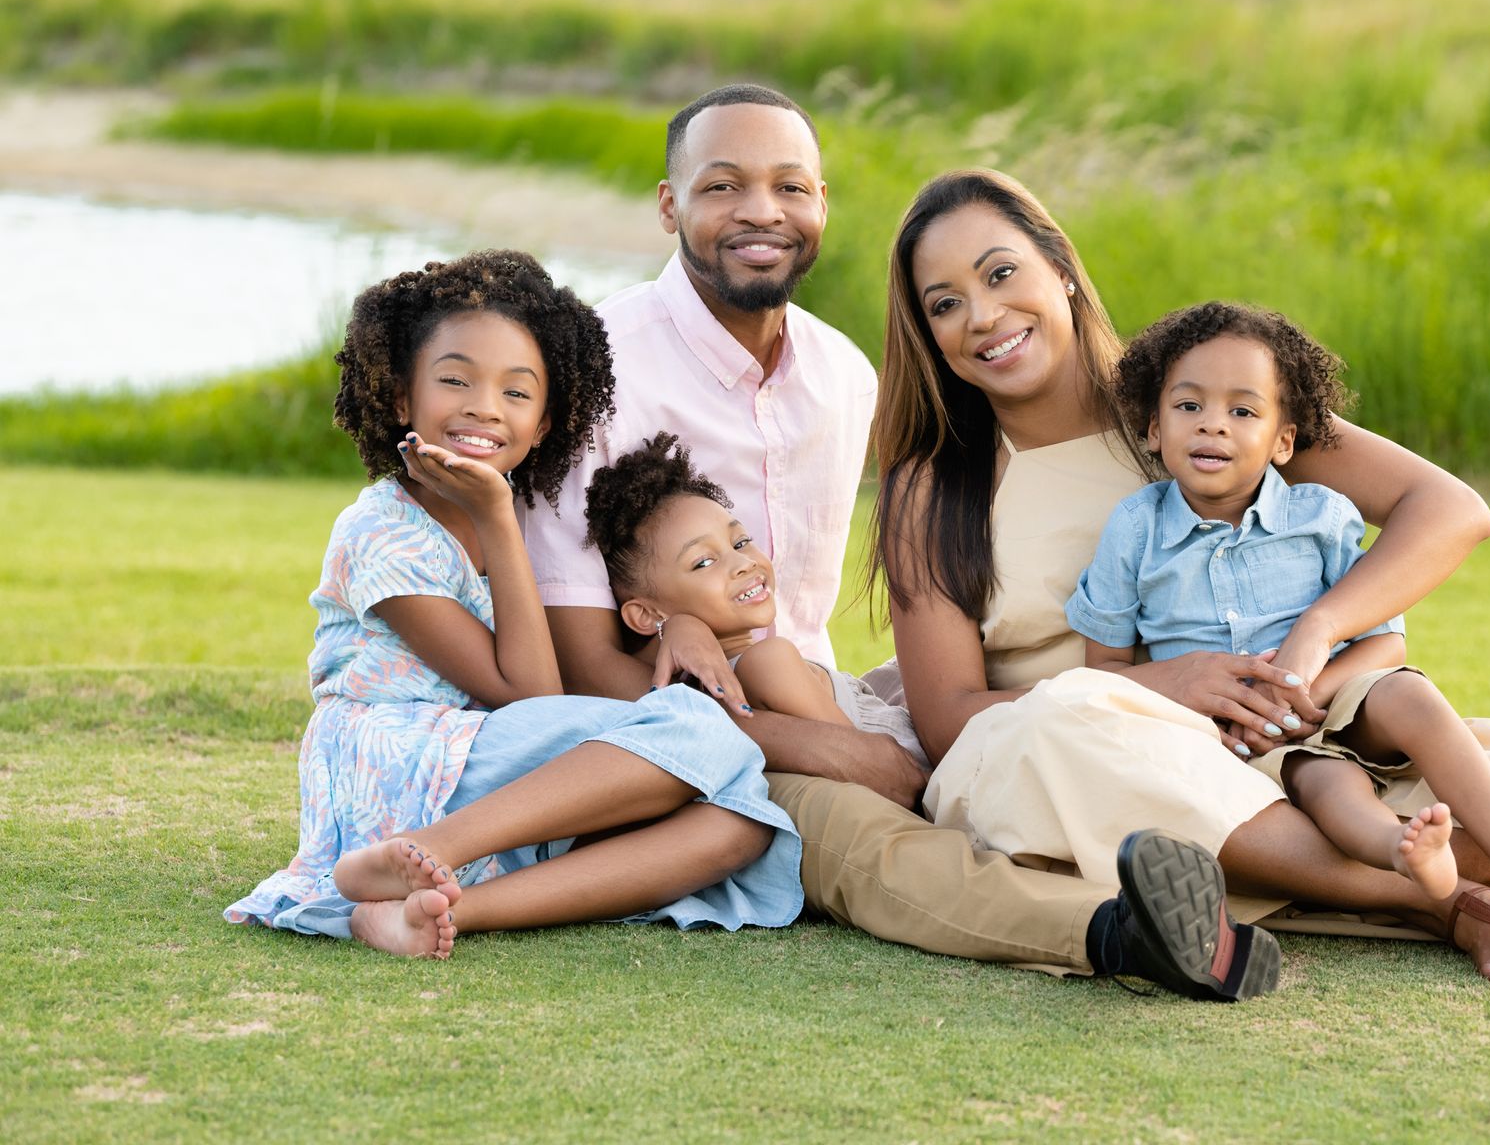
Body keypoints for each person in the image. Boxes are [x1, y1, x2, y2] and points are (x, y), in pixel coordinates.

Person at [522, 84, 1279, 1001]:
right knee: (867, 836)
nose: (762, 211)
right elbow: (580, 662)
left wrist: (860, 724)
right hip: (673, 730)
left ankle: (1296, 868)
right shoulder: (593, 368)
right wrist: (825, 748)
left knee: (986, 741)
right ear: (669, 203)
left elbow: (798, 630)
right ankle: (1121, 932)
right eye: (723, 186)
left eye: (790, 186)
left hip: (813, 695)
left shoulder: (841, 377)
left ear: (821, 205)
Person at [875, 169, 1490, 981]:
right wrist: (1166, 685)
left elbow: (1449, 510)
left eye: (1001, 273)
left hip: (1266, 736)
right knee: (1066, 722)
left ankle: (1461, 861)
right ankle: (1440, 903)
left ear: (1062, 270)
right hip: (1061, 759)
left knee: (1484, 770)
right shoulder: (937, 481)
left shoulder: (1196, 401)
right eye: (943, 303)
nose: (981, 316)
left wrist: (1318, 636)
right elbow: (948, 721)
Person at [225, 250, 802, 958]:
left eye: (517, 393)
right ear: (403, 398)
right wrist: (498, 516)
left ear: (546, 422)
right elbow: (528, 695)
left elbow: (542, 701)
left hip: (489, 777)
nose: (483, 407)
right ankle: (416, 851)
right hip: (398, 761)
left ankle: (437, 909)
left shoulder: (523, 519)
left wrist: (678, 619)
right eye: (455, 380)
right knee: (701, 729)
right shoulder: (380, 530)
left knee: (740, 824)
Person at [1067, 299, 1490, 979]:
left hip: (1332, 696)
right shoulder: (1135, 529)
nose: (1213, 426)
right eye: (1189, 406)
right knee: (1330, 790)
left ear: (1284, 441)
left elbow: (1384, 645)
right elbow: (1103, 671)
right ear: (1152, 427)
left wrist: (1307, 687)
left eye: (1243, 412)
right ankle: (1410, 855)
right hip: (1246, 740)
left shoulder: (1319, 516)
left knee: (1410, 696)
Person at [583, 430, 929, 770]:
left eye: (740, 542)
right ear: (644, 614)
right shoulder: (768, 660)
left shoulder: (705, 695)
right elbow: (878, 771)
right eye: (703, 562)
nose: (744, 563)